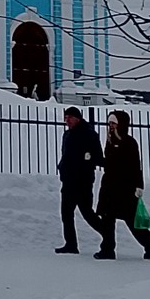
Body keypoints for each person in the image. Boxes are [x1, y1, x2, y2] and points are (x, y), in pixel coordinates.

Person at [94, 110, 150, 260]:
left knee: (131, 220)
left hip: (124, 188)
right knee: (107, 219)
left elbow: (135, 166)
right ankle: (107, 250)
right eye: (110, 123)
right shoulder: (110, 141)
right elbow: (110, 164)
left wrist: (139, 185)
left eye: (114, 123)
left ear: (121, 124)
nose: (111, 126)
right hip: (109, 187)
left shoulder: (129, 142)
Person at [55, 106, 104, 253]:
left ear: (77, 118)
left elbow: (97, 156)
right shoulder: (68, 135)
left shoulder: (88, 134)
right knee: (66, 213)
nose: (67, 121)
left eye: (69, 117)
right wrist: (62, 167)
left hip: (82, 180)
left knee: (87, 212)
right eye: (65, 118)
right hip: (68, 180)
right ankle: (71, 244)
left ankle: (107, 234)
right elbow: (66, 155)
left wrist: (87, 160)